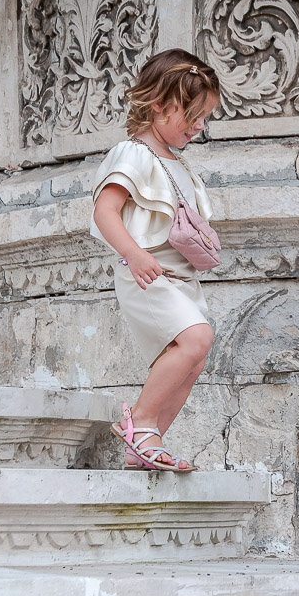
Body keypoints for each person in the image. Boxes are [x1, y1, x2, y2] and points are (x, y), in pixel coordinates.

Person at [90, 49, 220, 472]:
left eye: (205, 118)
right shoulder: (133, 154)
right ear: (159, 106)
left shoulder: (175, 160)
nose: (200, 127)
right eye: (193, 116)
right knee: (196, 337)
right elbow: (104, 211)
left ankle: (145, 445)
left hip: (177, 275)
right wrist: (134, 252)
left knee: (195, 355)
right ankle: (140, 423)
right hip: (145, 273)